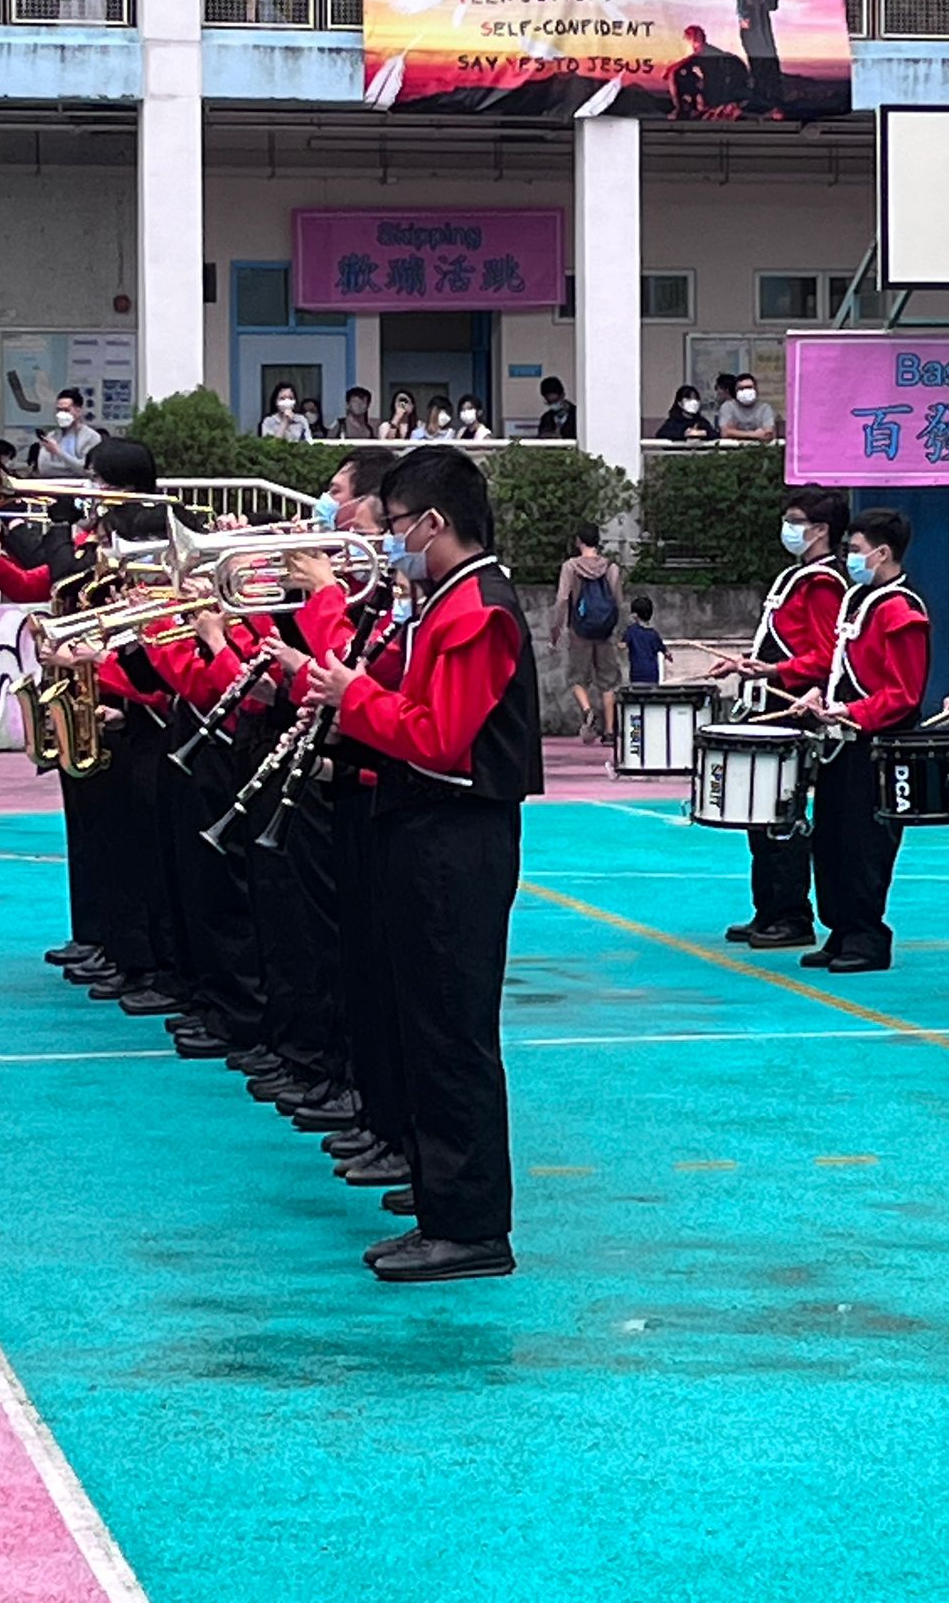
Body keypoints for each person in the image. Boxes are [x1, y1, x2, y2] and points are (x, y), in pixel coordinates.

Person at [304, 446, 543, 1282]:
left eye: (398, 524)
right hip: (430, 829)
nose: (391, 539)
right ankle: (446, 1202)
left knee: (450, 1030)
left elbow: (439, 737)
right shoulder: (449, 599)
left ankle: (471, 1225)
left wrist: (353, 698)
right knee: (428, 1023)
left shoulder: (477, 607)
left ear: (435, 522)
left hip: (456, 834)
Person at [708, 487, 849, 950]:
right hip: (769, 704)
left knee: (780, 813)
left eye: (795, 520)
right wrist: (745, 663)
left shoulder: (823, 583)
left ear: (821, 530)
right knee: (759, 810)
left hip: (791, 708)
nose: (787, 528)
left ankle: (791, 914)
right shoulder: (797, 576)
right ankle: (767, 908)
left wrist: (772, 671)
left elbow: (826, 656)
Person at [793, 507, 930, 974]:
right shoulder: (859, 600)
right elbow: (843, 669)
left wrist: (853, 712)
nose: (848, 557)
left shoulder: (901, 610)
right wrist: (821, 695)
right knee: (830, 838)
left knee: (864, 844)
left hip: (875, 746)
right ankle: (840, 927)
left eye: (854, 550)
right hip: (841, 740)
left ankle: (867, 935)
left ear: (882, 553)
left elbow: (904, 693)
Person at [551, 523, 623, 743]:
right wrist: (615, 627)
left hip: (579, 630)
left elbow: (562, 599)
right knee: (609, 681)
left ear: (578, 541)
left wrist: (557, 630)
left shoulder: (571, 567)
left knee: (577, 678)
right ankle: (609, 731)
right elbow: (618, 601)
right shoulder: (611, 567)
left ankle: (587, 710)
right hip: (605, 631)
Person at [733, 0, 785, 114]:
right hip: (762, 20)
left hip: (753, 20)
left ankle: (762, 95)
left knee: (756, 55)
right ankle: (769, 93)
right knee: (766, 54)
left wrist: (744, 16)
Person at [668, 25, 750, 118]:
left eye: (688, 39)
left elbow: (682, 66)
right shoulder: (707, 55)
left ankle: (680, 109)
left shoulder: (708, 56)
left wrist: (672, 70)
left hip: (722, 95)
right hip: (721, 94)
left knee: (675, 75)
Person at [35, 388, 102, 477]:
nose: (61, 414)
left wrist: (58, 452)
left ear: (79, 411)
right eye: (59, 410)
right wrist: (73, 468)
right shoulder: (52, 436)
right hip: (54, 484)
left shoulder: (92, 437)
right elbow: (44, 469)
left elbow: (87, 470)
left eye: (66, 410)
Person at [621, 594, 670, 685]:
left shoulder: (631, 631)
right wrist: (668, 656)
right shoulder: (654, 634)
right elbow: (665, 651)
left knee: (638, 692)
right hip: (652, 674)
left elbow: (622, 646)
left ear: (634, 615)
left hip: (637, 674)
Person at [716, 371, 776, 443]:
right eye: (741, 388)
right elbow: (725, 433)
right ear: (736, 391)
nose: (746, 391)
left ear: (756, 390)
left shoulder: (765, 408)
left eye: (749, 387)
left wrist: (735, 432)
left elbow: (768, 433)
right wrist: (754, 434)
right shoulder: (728, 407)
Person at [536, 376, 577, 441]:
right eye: (549, 402)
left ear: (562, 395)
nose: (553, 405)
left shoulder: (577, 416)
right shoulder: (546, 418)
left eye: (555, 401)